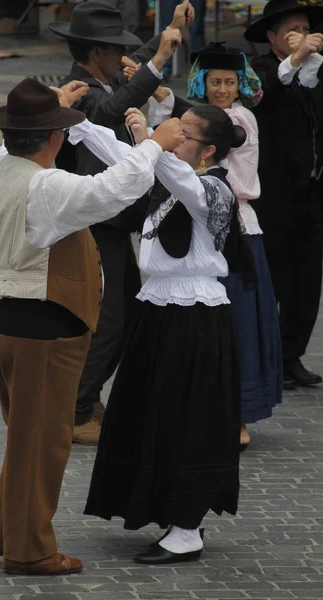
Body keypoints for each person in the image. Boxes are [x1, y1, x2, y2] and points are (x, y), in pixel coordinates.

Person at [0, 76, 184, 576]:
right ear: (52, 139)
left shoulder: (2, 165)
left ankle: (12, 534)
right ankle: (29, 551)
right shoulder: (47, 186)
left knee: (26, 438)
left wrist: (56, 109)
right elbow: (113, 189)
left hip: (1, 326)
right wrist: (155, 144)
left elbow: (39, 156)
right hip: (38, 334)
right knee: (43, 443)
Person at [69, 104, 245, 565]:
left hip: (196, 317)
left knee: (188, 418)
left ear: (207, 150)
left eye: (183, 134)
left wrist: (151, 138)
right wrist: (78, 123)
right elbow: (129, 159)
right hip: (157, 310)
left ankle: (186, 529)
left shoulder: (212, 188)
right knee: (151, 415)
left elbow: (164, 164)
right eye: (176, 129)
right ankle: (172, 513)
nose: (174, 137)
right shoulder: (167, 179)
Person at [49, 0, 192, 445]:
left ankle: (85, 399)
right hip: (94, 227)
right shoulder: (84, 90)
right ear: (95, 52)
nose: (121, 58)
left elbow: (130, 73)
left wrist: (165, 34)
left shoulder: (102, 76)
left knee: (129, 315)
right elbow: (112, 108)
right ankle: (75, 410)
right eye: (114, 50)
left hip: (111, 224)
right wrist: (161, 59)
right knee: (111, 322)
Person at [184, 42, 282, 449]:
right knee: (200, 325)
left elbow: (229, 145)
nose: (222, 89)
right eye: (215, 81)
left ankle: (239, 414)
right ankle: (202, 411)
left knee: (237, 324)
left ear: (240, 83)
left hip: (237, 233)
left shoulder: (241, 120)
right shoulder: (193, 117)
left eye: (229, 81)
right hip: (198, 232)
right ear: (202, 83)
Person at [244, 0, 323, 389]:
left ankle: (292, 356)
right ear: (273, 37)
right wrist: (293, 60)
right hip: (271, 195)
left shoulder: (316, 71)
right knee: (272, 279)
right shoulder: (260, 69)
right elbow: (258, 96)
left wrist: (308, 62)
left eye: (306, 28)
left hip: (311, 191)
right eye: (293, 28)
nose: (302, 35)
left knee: (307, 281)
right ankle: (265, 359)